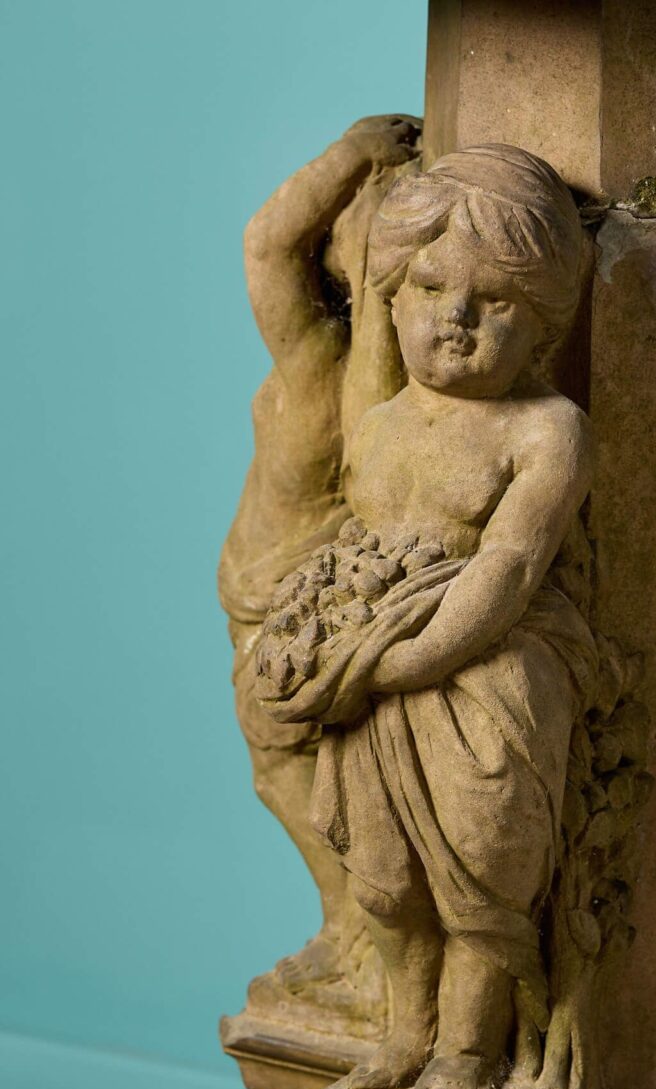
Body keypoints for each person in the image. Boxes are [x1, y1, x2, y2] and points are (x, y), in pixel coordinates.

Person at [257, 144, 596, 1089]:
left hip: (483, 671)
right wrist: (334, 643)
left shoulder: (545, 429)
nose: (457, 317)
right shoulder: (379, 417)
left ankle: (467, 1047)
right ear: (394, 295)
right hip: (371, 673)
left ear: (543, 321)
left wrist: (414, 655)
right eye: (432, 288)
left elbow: (510, 564)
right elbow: (354, 548)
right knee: (384, 877)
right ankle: (407, 1028)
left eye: (497, 301)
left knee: (481, 868)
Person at [219, 115, 417, 1005]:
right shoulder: (354, 361)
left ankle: (362, 939)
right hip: (272, 599)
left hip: (289, 612)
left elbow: (266, 244)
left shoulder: (318, 362)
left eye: (350, 217)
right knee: (304, 782)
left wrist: (354, 153)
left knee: (299, 779)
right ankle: (359, 935)